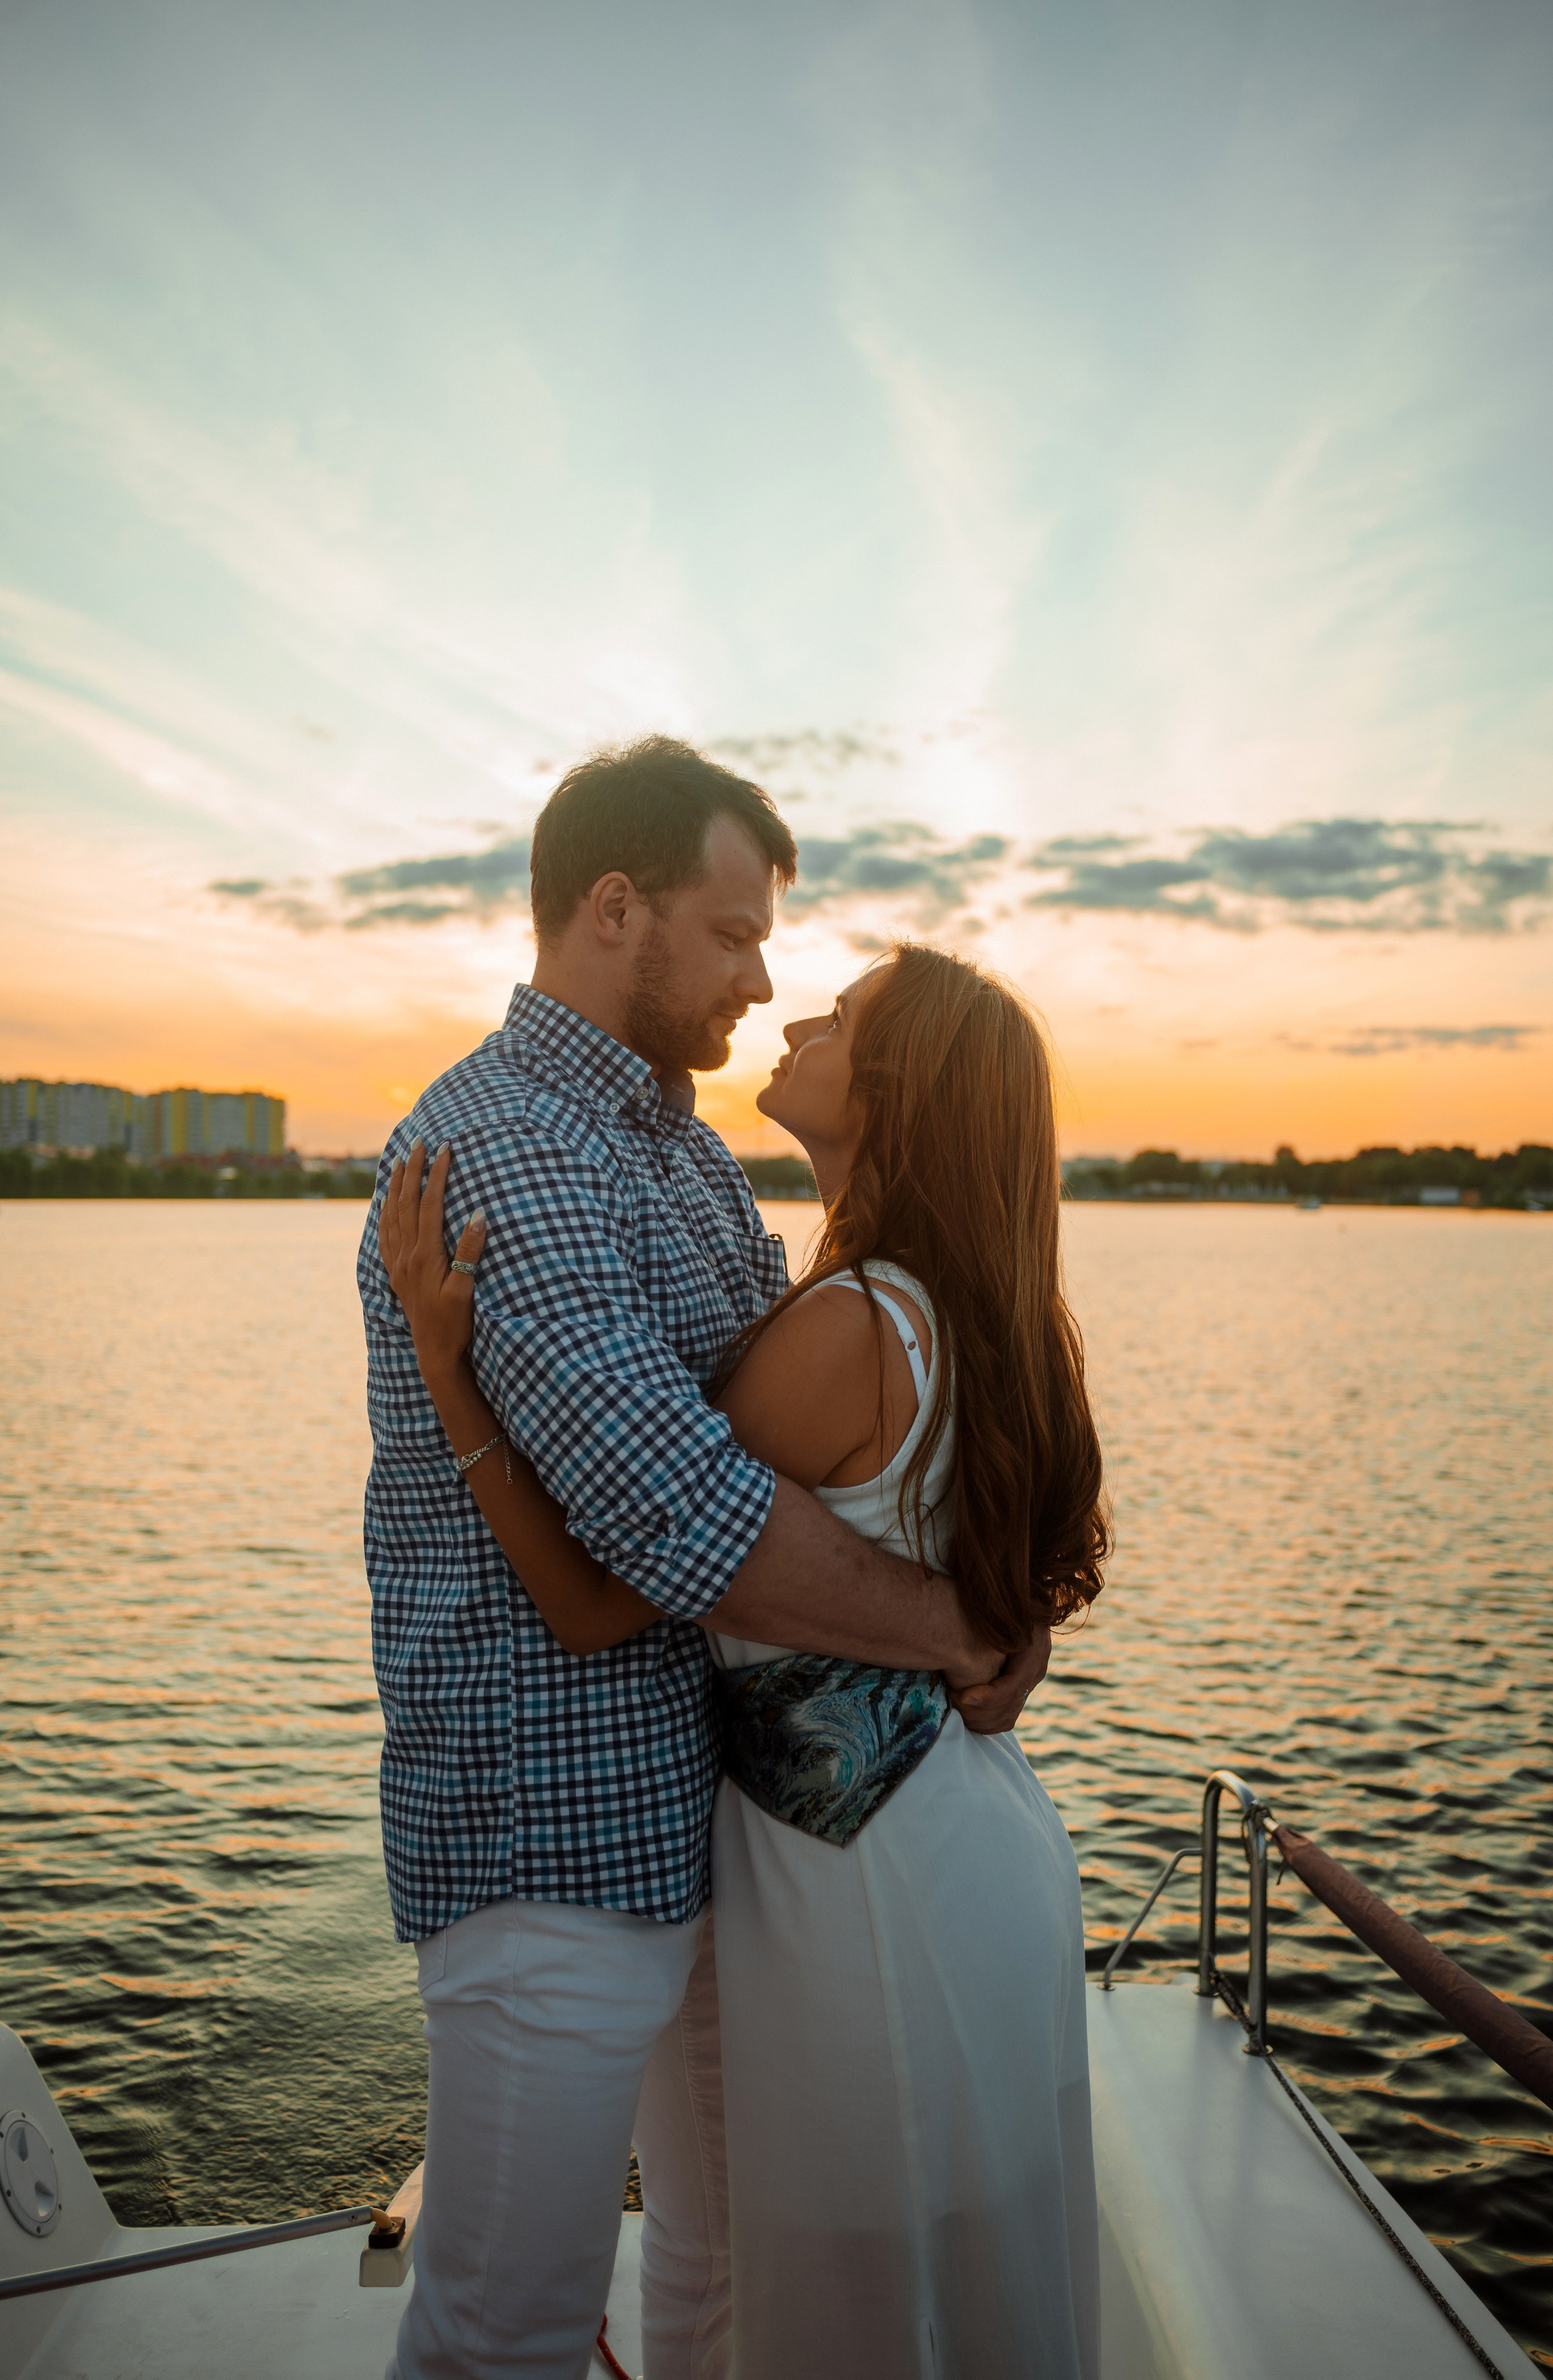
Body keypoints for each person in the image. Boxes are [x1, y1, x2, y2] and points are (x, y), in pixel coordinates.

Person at [357, 737, 1047, 2380]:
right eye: (734, 934)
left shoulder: (674, 1150)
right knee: (507, 2320)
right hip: (553, 1829)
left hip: (716, 1824)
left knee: (720, 2267)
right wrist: (957, 1626)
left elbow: (794, 1458)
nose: (762, 972)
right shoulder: (506, 1147)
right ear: (616, 910)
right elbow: (683, 1517)